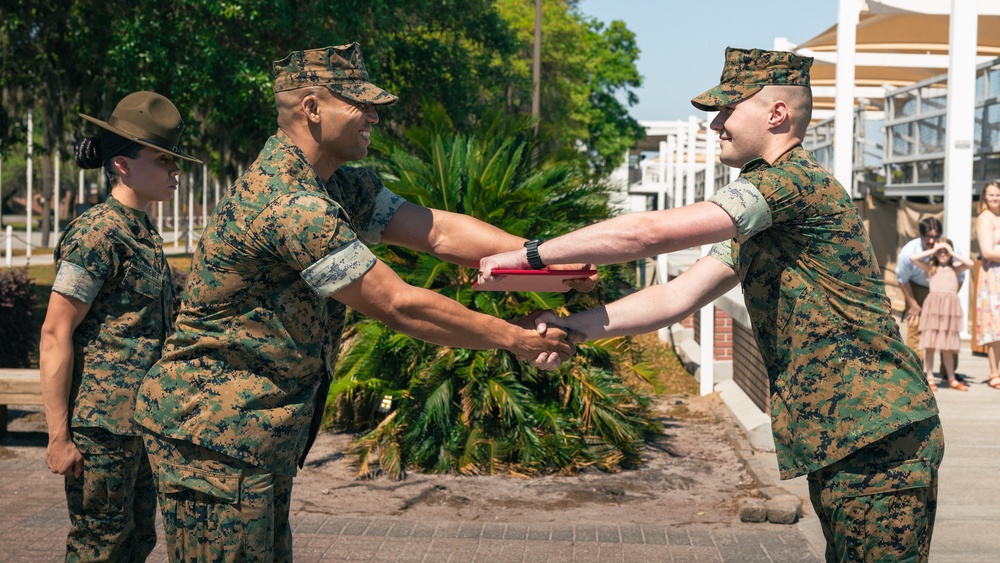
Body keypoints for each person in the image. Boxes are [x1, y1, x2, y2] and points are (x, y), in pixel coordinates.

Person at [481, 47, 943, 562]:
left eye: (728, 109)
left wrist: (528, 255)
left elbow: (647, 233)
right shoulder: (767, 208)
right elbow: (677, 295)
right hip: (850, 439)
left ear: (776, 114)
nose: (715, 124)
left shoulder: (791, 183)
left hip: (879, 439)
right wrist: (572, 328)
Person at [131, 43, 577, 561]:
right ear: (312, 108)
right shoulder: (289, 204)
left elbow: (437, 233)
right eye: (359, 104)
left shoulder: (337, 184)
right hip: (211, 433)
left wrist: (545, 262)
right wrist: (516, 339)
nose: (373, 117)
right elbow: (397, 305)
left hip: (251, 434)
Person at [38, 91, 201, 561]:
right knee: (100, 546)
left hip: (141, 422)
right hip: (101, 428)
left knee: (136, 542)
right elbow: (55, 333)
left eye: (175, 160)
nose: (175, 171)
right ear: (124, 165)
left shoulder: (142, 231)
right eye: (162, 160)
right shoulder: (97, 234)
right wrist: (58, 436)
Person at [896, 216, 964, 373]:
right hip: (917, 287)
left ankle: (949, 373)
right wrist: (913, 304)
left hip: (942, 292)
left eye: (935, 237)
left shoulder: (950, 250)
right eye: (927, 237)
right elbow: (902, 279)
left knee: (948, 331)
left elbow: (960, 277)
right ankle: (916, 372)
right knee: (916, 327)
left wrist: (949, 299)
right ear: (920, 235)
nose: (932, 241)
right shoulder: (909, 252)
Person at [909, 238, 973, 391]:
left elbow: (970, 263)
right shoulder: (931, 267)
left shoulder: (955, 268)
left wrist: (951, 252)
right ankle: (930, 377)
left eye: (946, 251)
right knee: (930, 344)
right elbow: (912, 258)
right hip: (933, 307)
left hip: (949, 308)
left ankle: (951, 378)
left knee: (947, 346)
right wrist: (933, 250)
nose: (943, 254)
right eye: (940, 251)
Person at [975, 179, 1000, 390]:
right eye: (991, 194)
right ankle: (994, 372)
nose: (995, 198)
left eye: (998, 194)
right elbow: (987, 252)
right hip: (994, 277)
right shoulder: (985, 218)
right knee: (996, 326)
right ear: (985, 197)